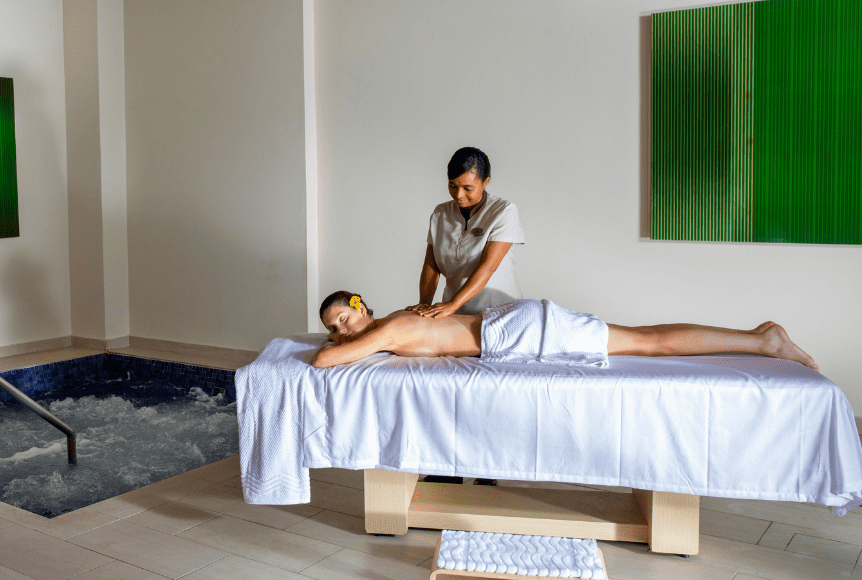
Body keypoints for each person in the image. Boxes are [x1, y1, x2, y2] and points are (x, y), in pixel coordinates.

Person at [313, 290, 817, 371]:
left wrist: (338, 345)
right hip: (516, 325)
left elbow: (323, 361)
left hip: (521, 333)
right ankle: (755, 336)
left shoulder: (385, 330)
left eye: (344, 317)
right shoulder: (403, 316)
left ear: (362, 306)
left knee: (648, 344)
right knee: (643, 338)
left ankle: (762, 340)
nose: (342, 331)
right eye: (336, 327)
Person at [413, 147, 524, 319]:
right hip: (454, 315)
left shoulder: (504, 211)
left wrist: (453, 304)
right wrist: (424, 305)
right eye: (452, 185)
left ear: (485, 182)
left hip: (500, 313)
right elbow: (431, 265)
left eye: (468, 188)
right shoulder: (440, 213)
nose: (458, 195)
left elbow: (488, 267)